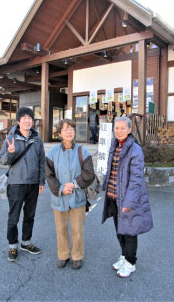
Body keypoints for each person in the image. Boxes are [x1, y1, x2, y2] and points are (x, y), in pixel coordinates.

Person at [102, 117, 153, 278]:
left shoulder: (135, 150)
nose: (119, 131)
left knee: (129, 231)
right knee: (120, 230)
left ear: (130, 130)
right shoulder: (114, 145)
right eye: (116, 128)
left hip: (127, 199)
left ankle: (131, 262)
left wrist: (129, 202)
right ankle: (124, 256)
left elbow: (136, 179)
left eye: (123, 128)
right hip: (113, 196)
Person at [46, 119, 95, 270]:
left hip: (78, 195)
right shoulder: (53, 153)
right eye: (65, 129)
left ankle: (77, 256)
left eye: (71, 129)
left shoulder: (82, 151)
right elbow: (49, 175)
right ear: (59, 133)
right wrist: (61, 188)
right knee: (60, 229)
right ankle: (63, 254)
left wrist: (74, 184)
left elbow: (89, 173)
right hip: (59, 197)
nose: (69, 131)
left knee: (77, 229)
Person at [0, 107, 45, 262]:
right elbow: (2, 160)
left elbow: (41, 161)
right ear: (18, 121)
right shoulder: (11, 137)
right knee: (14, 217)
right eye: (24, 118)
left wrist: (41, 181)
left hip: (33, 183)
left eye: (30, 118)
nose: (27, 120)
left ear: (32, 121)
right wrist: (10, 152)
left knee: (30, 215)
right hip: (16, 183)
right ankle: (13, 246)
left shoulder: (37, 139)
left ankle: (26, 242)